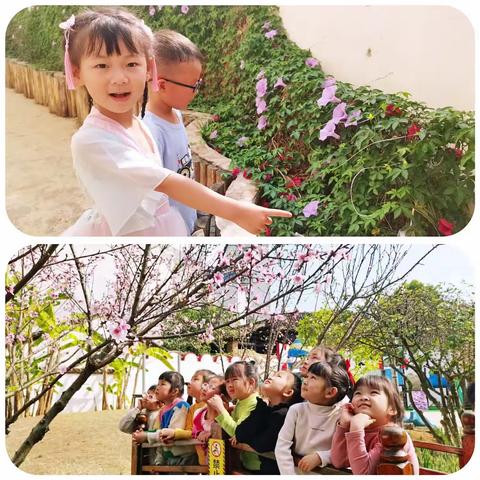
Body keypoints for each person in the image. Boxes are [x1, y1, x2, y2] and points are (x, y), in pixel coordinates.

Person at [60, 8, 291, 236]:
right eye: (102, 65)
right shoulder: (92, 141)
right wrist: (236, 211)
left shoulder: (136, 123)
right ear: (77, 73)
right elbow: (167, 182)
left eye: (131, 64)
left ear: (149, 68)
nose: (120, 78)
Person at [143, 29, 202, 234]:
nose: (197, 91)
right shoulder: (151, 133)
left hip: (188, 216)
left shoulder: (176, 114)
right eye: (193, 85)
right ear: (162, 85)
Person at [330, 374, 419, 474]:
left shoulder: (391, 436)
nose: (363, 397)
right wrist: (344, 425)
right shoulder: (363, 430)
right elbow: (338, 462)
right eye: (358, 393)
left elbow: (363, 473)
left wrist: (356, 429)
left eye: (373, 392)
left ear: (392, 409)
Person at [275, 361, 352, 474]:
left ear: (330, 392)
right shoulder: (296, 410)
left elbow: (345, 449)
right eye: (306, 376)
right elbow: (282, 446)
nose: (305, 381)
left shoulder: (341, 415)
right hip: (295, 471)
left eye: (313, 378)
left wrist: (321, 457)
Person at [235, 369, 303, 474]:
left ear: (288, 392)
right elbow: (240, 434)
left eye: (279, 376)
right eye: (274, 374)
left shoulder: (284, 415)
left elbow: (262, 445)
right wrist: (262, 405)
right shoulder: (265, 409)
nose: (271, 376)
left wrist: (249, 438)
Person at [132, 371, 196, 466]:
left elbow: (170, 434)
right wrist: (159, 461)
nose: (157, 387)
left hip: (183, 457)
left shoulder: (181, 406)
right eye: (158, 384)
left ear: (175, 391)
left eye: (162, 384)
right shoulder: (162, 410)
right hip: (170, 458)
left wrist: (145, 436)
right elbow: (157, 432)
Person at [206, 360, 260, 471]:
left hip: (258, 467)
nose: (229, 385)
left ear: (251, 382)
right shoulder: (241, 402)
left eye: (235, 380)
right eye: (227, 381)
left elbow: (238, 433)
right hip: (244, 464)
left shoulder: (255, 403)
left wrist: (221, 410)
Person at [158, 369, 216, 464]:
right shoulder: (193, 408)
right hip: (200, 458)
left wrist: (175, 433)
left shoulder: (209, 407)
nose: (190, 382)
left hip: (212, 456)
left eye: (195, 379)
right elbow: (190, 431)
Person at [191, 375, 229, 464]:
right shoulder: (198, 413)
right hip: (204, 464)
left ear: (221, 396)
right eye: (206, 385)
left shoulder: (227, 412)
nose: (204, 389)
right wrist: (199, 433)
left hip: (224, 465)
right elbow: (194, 431)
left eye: (211, 388)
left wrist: (212, 434)